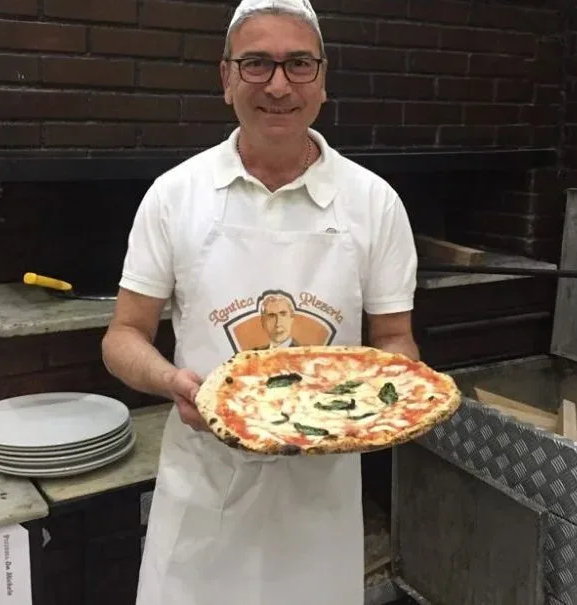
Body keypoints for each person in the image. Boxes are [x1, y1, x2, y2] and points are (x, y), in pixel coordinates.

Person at [101, 0, 419, 602]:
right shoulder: (174, 196)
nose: (278, 85)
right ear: (226, 79)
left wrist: (388, 404)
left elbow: (394, 338)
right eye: (256, 64)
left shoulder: (375, 203)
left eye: (299, 64)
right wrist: (174, 382)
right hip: (202, 490)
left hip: (319, 498)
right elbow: (123, 335)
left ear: (322, 80)